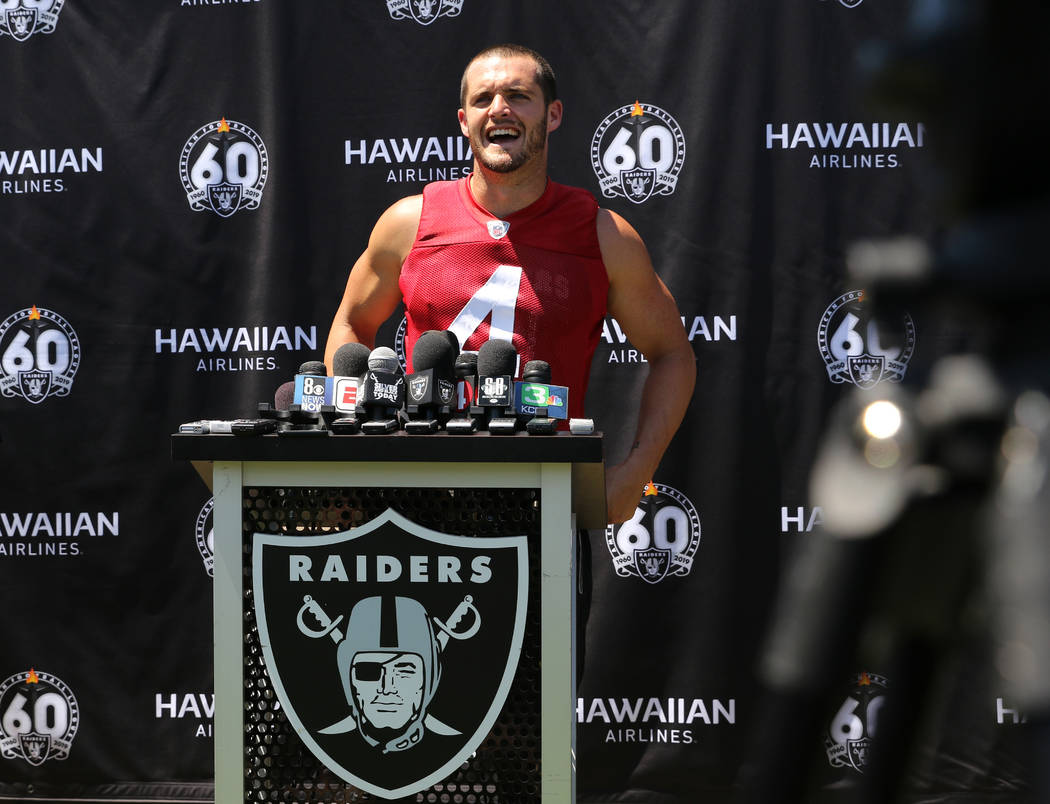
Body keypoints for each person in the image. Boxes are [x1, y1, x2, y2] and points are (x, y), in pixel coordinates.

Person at [325, 43, 695, 524]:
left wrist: (636, 470)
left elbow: (673, 354)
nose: (499, 108)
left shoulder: (603, 234)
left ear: (554, 114)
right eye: (483, 99)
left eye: (518, 95)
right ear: (463, 120)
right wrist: (354, 447)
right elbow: (351, 325)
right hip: (412, 498)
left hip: (545, 503)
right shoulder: (408, 221)